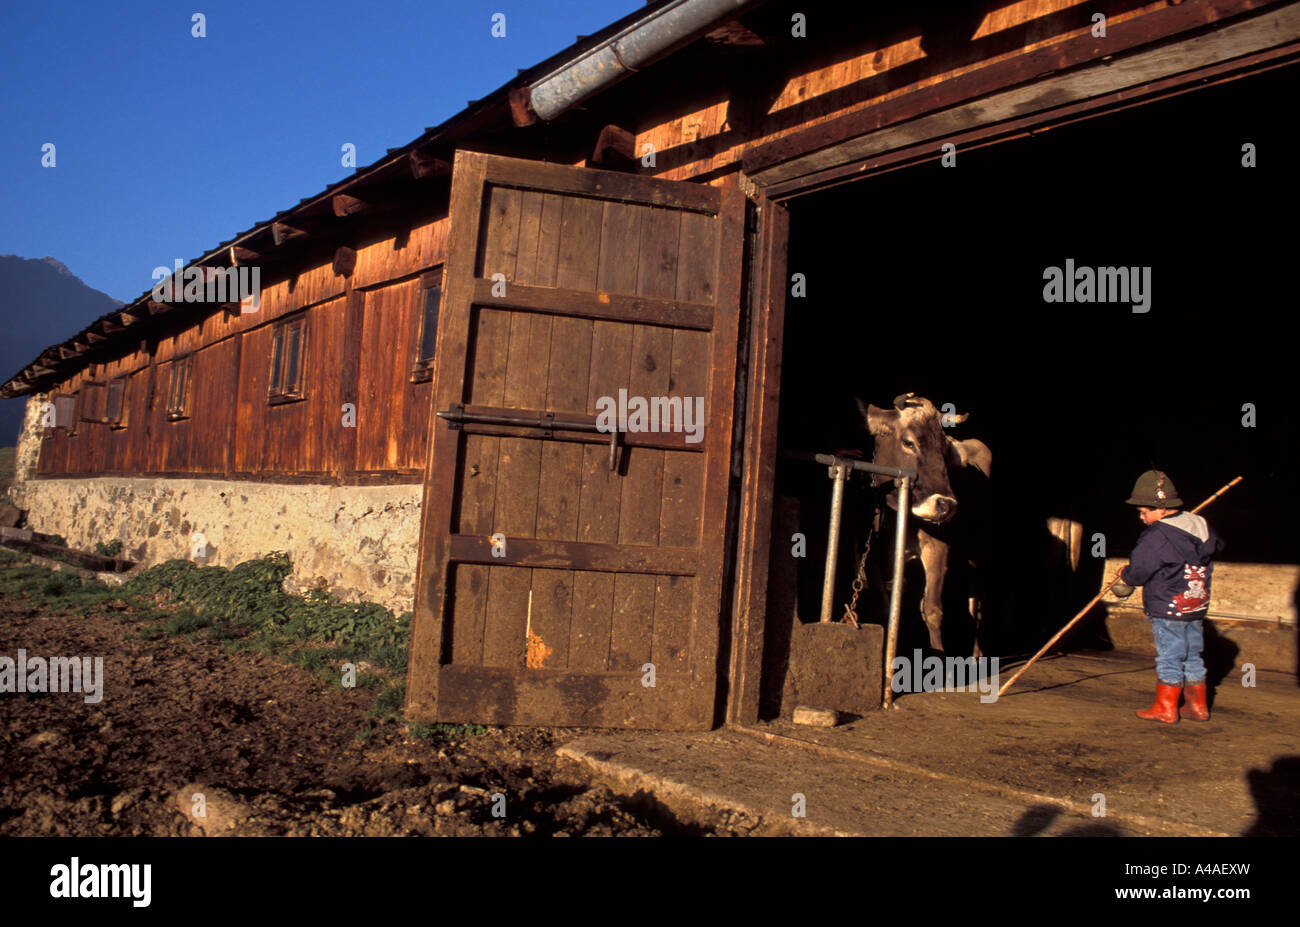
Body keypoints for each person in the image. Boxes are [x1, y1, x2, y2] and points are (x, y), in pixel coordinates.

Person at [1111, 470, 1225, 723]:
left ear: (1161, 509)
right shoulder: (1199, 523)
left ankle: (1165, 708)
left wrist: (1126, 576)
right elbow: (1216, 545)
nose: (1142, 518)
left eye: (1143, 512)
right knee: (1193, 655)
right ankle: (1197, 707)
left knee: (1170, 655)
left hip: (1167, 606)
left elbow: (1140, 570)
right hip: (1196, 606)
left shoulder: (1158, 535)